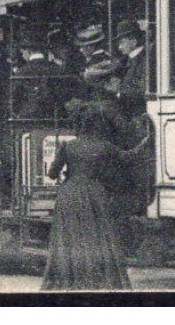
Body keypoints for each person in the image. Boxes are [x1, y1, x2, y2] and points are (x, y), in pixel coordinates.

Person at [41, 101, 137, 291]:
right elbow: (129, 157)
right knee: (97, 236)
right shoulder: (104, 146)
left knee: (69, 238)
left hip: (68, 195)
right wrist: (148, 141)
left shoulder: (67, 146)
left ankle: (71, 281)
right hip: (94, 193)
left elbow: (52, 173)